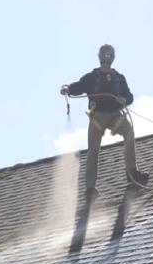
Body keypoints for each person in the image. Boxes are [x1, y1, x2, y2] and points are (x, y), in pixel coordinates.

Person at [61, 44, 148, 203]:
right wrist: (67, 88)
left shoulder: (119, 78)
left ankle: (132, 173)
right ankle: (90, 188)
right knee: (93, 151)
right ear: (100, 59)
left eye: (108, 60)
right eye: (104, 60)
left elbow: (129, 97)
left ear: (111, 60)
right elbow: (78, 87)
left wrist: (124, 100)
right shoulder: (92, 77)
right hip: (97, 119)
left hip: (115, 117)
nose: (106, 63)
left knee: (129, 131)